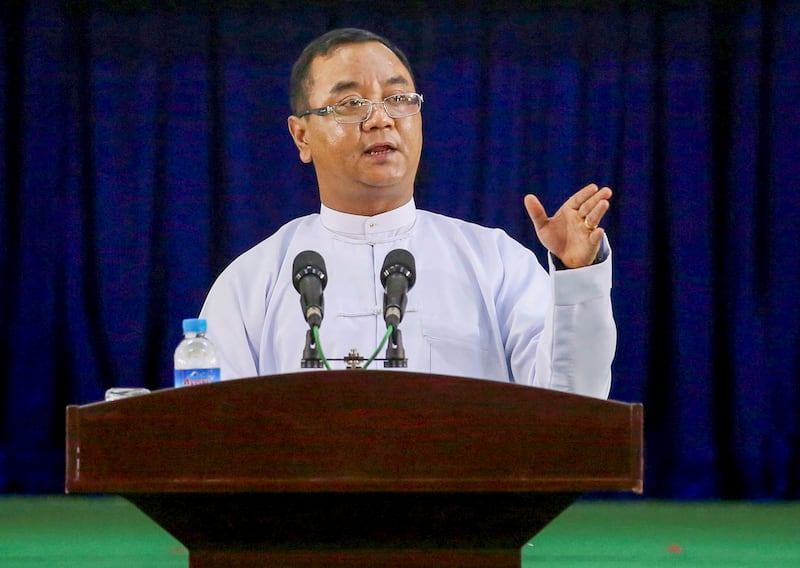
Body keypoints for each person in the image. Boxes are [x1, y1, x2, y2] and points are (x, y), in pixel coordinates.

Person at [199, 28, 615, 399]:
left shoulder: (495, 263)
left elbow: (571, 405)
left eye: (398, 99)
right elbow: (214, 433)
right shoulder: (251, 283)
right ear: (301, 135)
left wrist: (576, 276)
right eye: (351, 103)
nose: (380, 119)